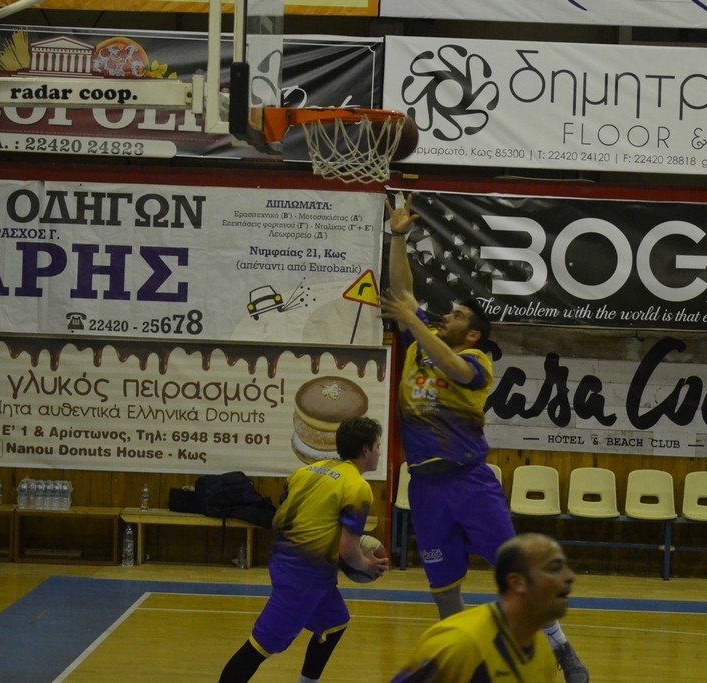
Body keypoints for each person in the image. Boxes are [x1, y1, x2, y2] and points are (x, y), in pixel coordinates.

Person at [380, 193, 589, 683]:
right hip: (425, 486)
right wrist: (398, 238)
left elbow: (451, 366)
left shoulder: (476, 362)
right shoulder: (421, 340)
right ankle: (462, 660)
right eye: (448, 314)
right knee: (442, 588)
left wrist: (413, 322)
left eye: (455, 316)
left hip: (470, 482)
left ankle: (561, 649)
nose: (445, 318)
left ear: (472, 334)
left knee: (519, 573)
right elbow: (403, 293)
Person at [218, 416, 389, 683]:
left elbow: (277, 521)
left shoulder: (306, 471)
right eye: (378, 446)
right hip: (303, 577)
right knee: (258, 647)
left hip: (288, 563)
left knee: (335, 622)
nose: (380, 452)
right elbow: (349, 551)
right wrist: (368, 565)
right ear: (365, 450)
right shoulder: (358, 488)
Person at [391, 533, 576, 682]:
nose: (569, 577)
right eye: (554, 568)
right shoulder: (459, 645)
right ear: (517, 582)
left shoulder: (542, 652)